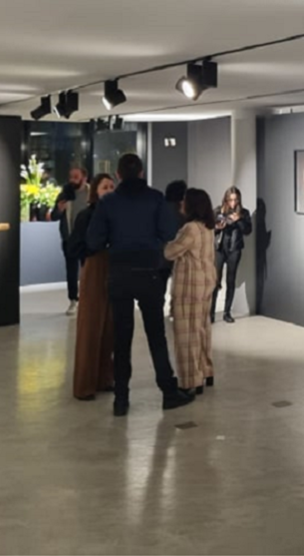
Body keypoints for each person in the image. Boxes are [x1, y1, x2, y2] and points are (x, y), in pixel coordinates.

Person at [86, 153, 195, 417]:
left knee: (121, 339)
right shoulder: (155, 199)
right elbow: (169, 232)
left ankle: (121, 399)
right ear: (142, 172)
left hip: (119, 274)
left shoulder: (108, 202)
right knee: (156, 335)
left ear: (118, 175)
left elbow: (94, 240)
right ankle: (168, 392)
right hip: (149, 273)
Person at [67, 174, 117, 401]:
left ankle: (105, 378)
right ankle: (84, 384)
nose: (109, 190)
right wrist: (93, 250)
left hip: (114, 269)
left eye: (112, 186)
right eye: (105, 187)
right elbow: (74, 247)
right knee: (91, 328)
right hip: (95, 268)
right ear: (95, 191)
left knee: (109, 328)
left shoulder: (116, 215)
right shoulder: (86, 215)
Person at [165, 188, 218, 395]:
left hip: (189, 286)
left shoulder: (190, 229)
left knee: (186, 335)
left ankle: (190, 381)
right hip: (206, 283)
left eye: (184, 200)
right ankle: (206, 371)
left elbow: (171, 252)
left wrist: (164, 245)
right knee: (202, 330)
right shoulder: (208, 227)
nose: (181, 204)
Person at [51, 165, 90, 316]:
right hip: (70, 239)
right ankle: (73, 300)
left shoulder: (91, 193)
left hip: (88, 239)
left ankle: (88, 299)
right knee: (71, 272)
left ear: (84, 178)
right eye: (71, 177)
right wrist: (59, 210)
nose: (72, 180)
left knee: (88, 270)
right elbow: (54, 216)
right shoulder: (64, 194)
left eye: (76, 177)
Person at [211, 186, 252, 324]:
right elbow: (209, 229)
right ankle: (211, 313)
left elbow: (248, 231)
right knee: (215, 281)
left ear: (239, 200)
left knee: (230, 281)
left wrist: (239, 220)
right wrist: (217, 227)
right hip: (219, 249)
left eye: (235, 200)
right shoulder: (218, 211)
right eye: (230, 200)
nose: (233, 203)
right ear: (226, 199)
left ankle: (227, 312)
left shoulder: (244, 213)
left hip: (234, 250)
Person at [160, 180, 188, 306]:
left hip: (160, 254)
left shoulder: (161, 208)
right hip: (177, 255)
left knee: (160, 288)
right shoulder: (181, 213)